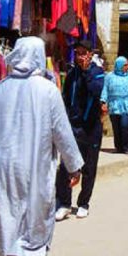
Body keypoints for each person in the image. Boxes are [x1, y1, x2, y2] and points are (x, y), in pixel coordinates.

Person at [0, 36, 83, 256]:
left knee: (6, 215)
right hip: (31, 164)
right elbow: (62, 132)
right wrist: (74, 166)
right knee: (35, 215)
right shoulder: (47, 90)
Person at [54, 41, 104, 221]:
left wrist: (86, 72)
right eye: (77, 53)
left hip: (91, 128)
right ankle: (64, 203)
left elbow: (97, 91)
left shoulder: (97, 73)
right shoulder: (72, 74)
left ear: (90, 54)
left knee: (89, 168)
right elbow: (66, 98)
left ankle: (83, 203)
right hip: (73, 128)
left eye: (83, 53)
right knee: (66, 166)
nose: (80, 56)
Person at [100, 56, 128, 153]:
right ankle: (118, 147)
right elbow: (105, 89)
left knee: (124, 125)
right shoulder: (109, 76)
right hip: (114, 106)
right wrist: (103, 102)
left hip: (127, 106)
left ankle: (126, 147)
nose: (127, 67)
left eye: (127, 64)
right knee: (116, 127)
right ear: (119, 66)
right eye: (125, 65)